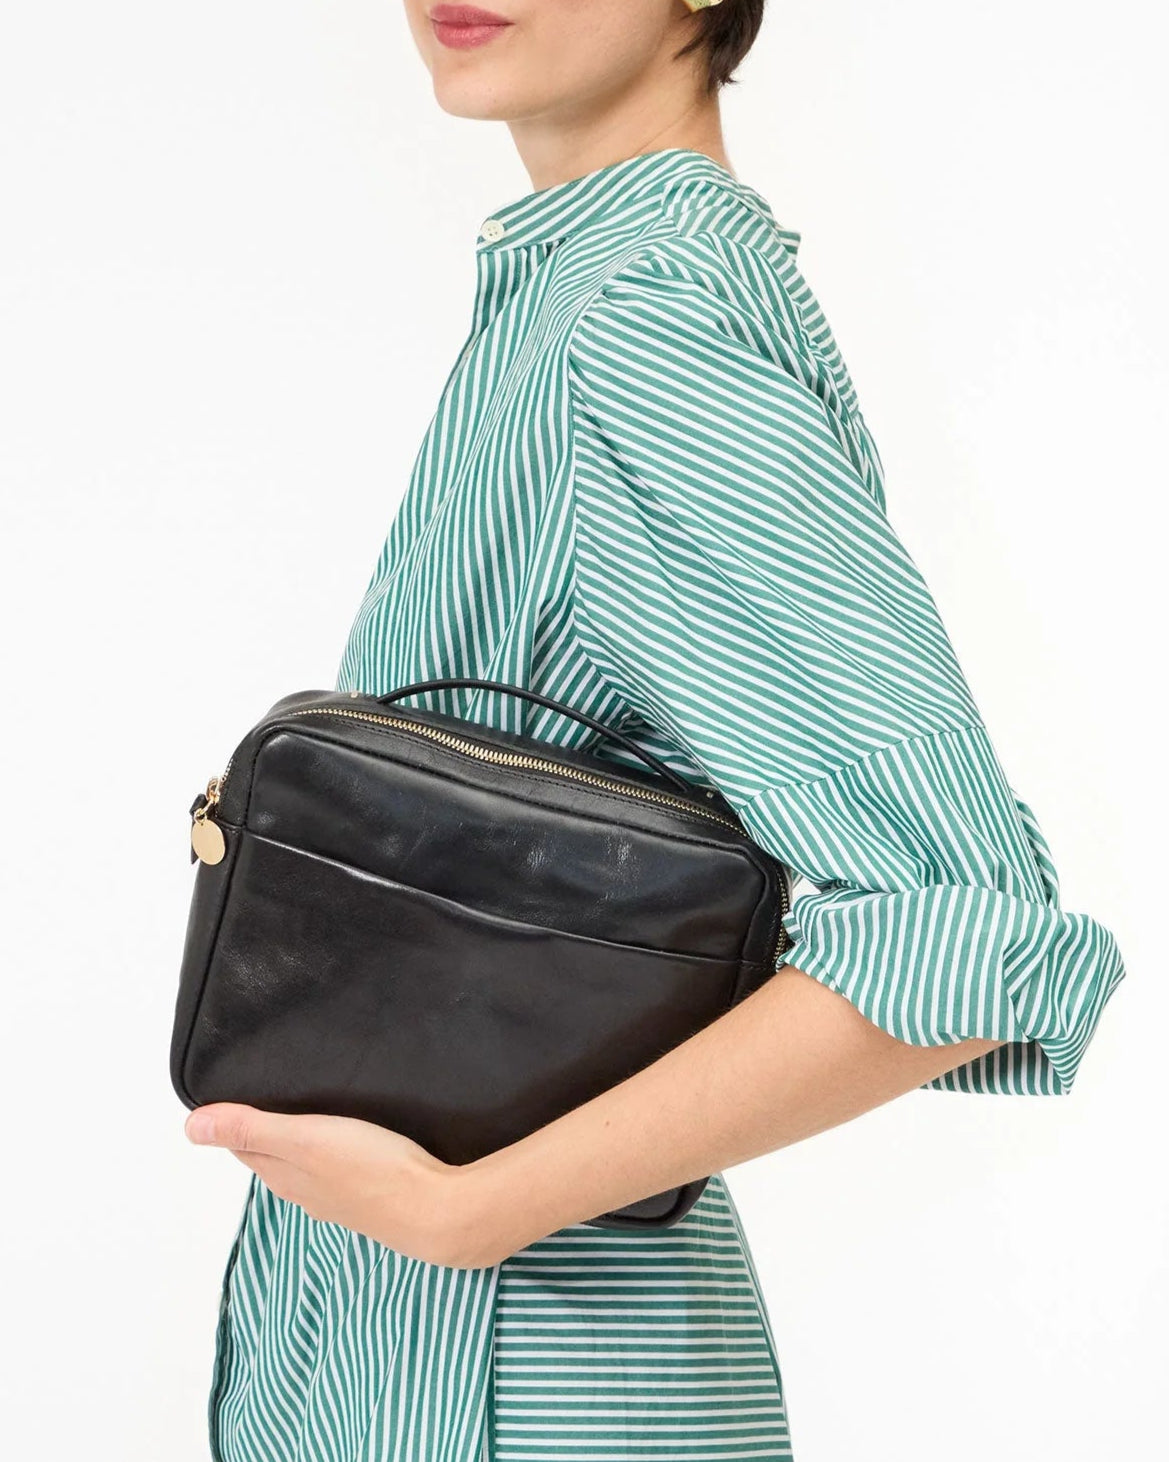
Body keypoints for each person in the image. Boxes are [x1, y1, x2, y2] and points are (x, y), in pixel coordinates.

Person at [183, 3, 1127, 1458]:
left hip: (508, 1376)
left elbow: (961, 924)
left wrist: (464, 1210)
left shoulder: (643, 322)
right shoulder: (579, 294)